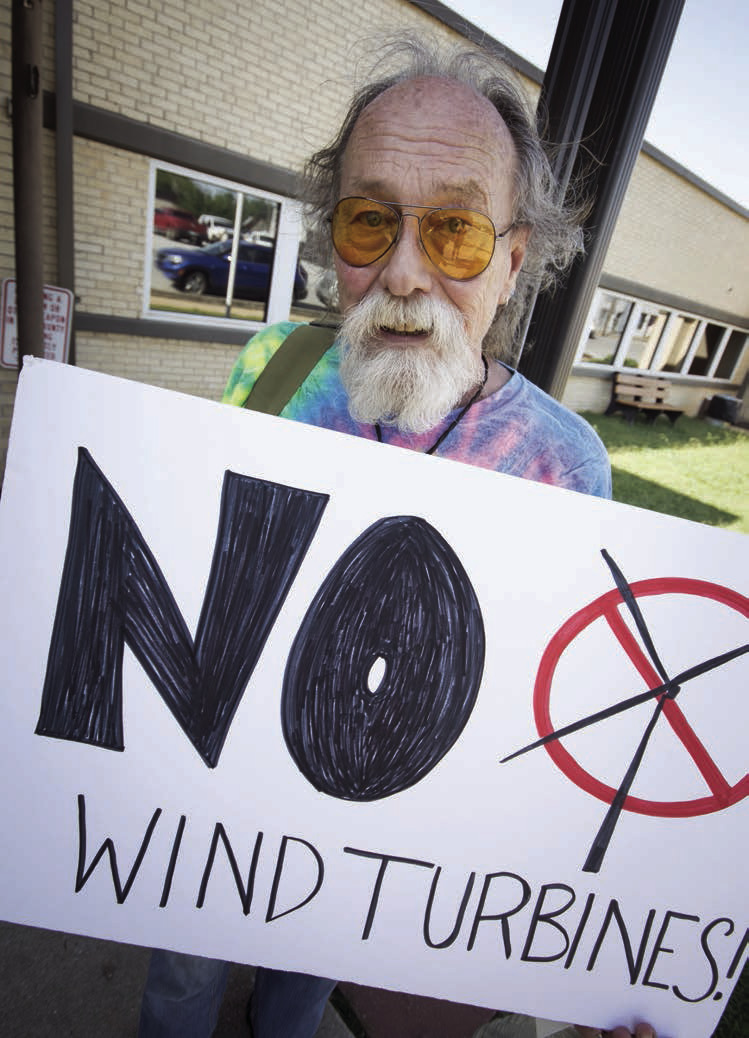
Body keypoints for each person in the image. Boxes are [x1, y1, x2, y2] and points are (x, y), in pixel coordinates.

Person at [138, 37, 655, 1038]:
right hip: (219, 797)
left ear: (512, 262)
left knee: (298, 996)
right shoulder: (272, 368)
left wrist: (601, 968)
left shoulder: (563, 465)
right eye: (370, 221)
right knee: (179, 984)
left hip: (375, 844)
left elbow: (560, 730)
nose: (405, 274)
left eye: (455, 230)